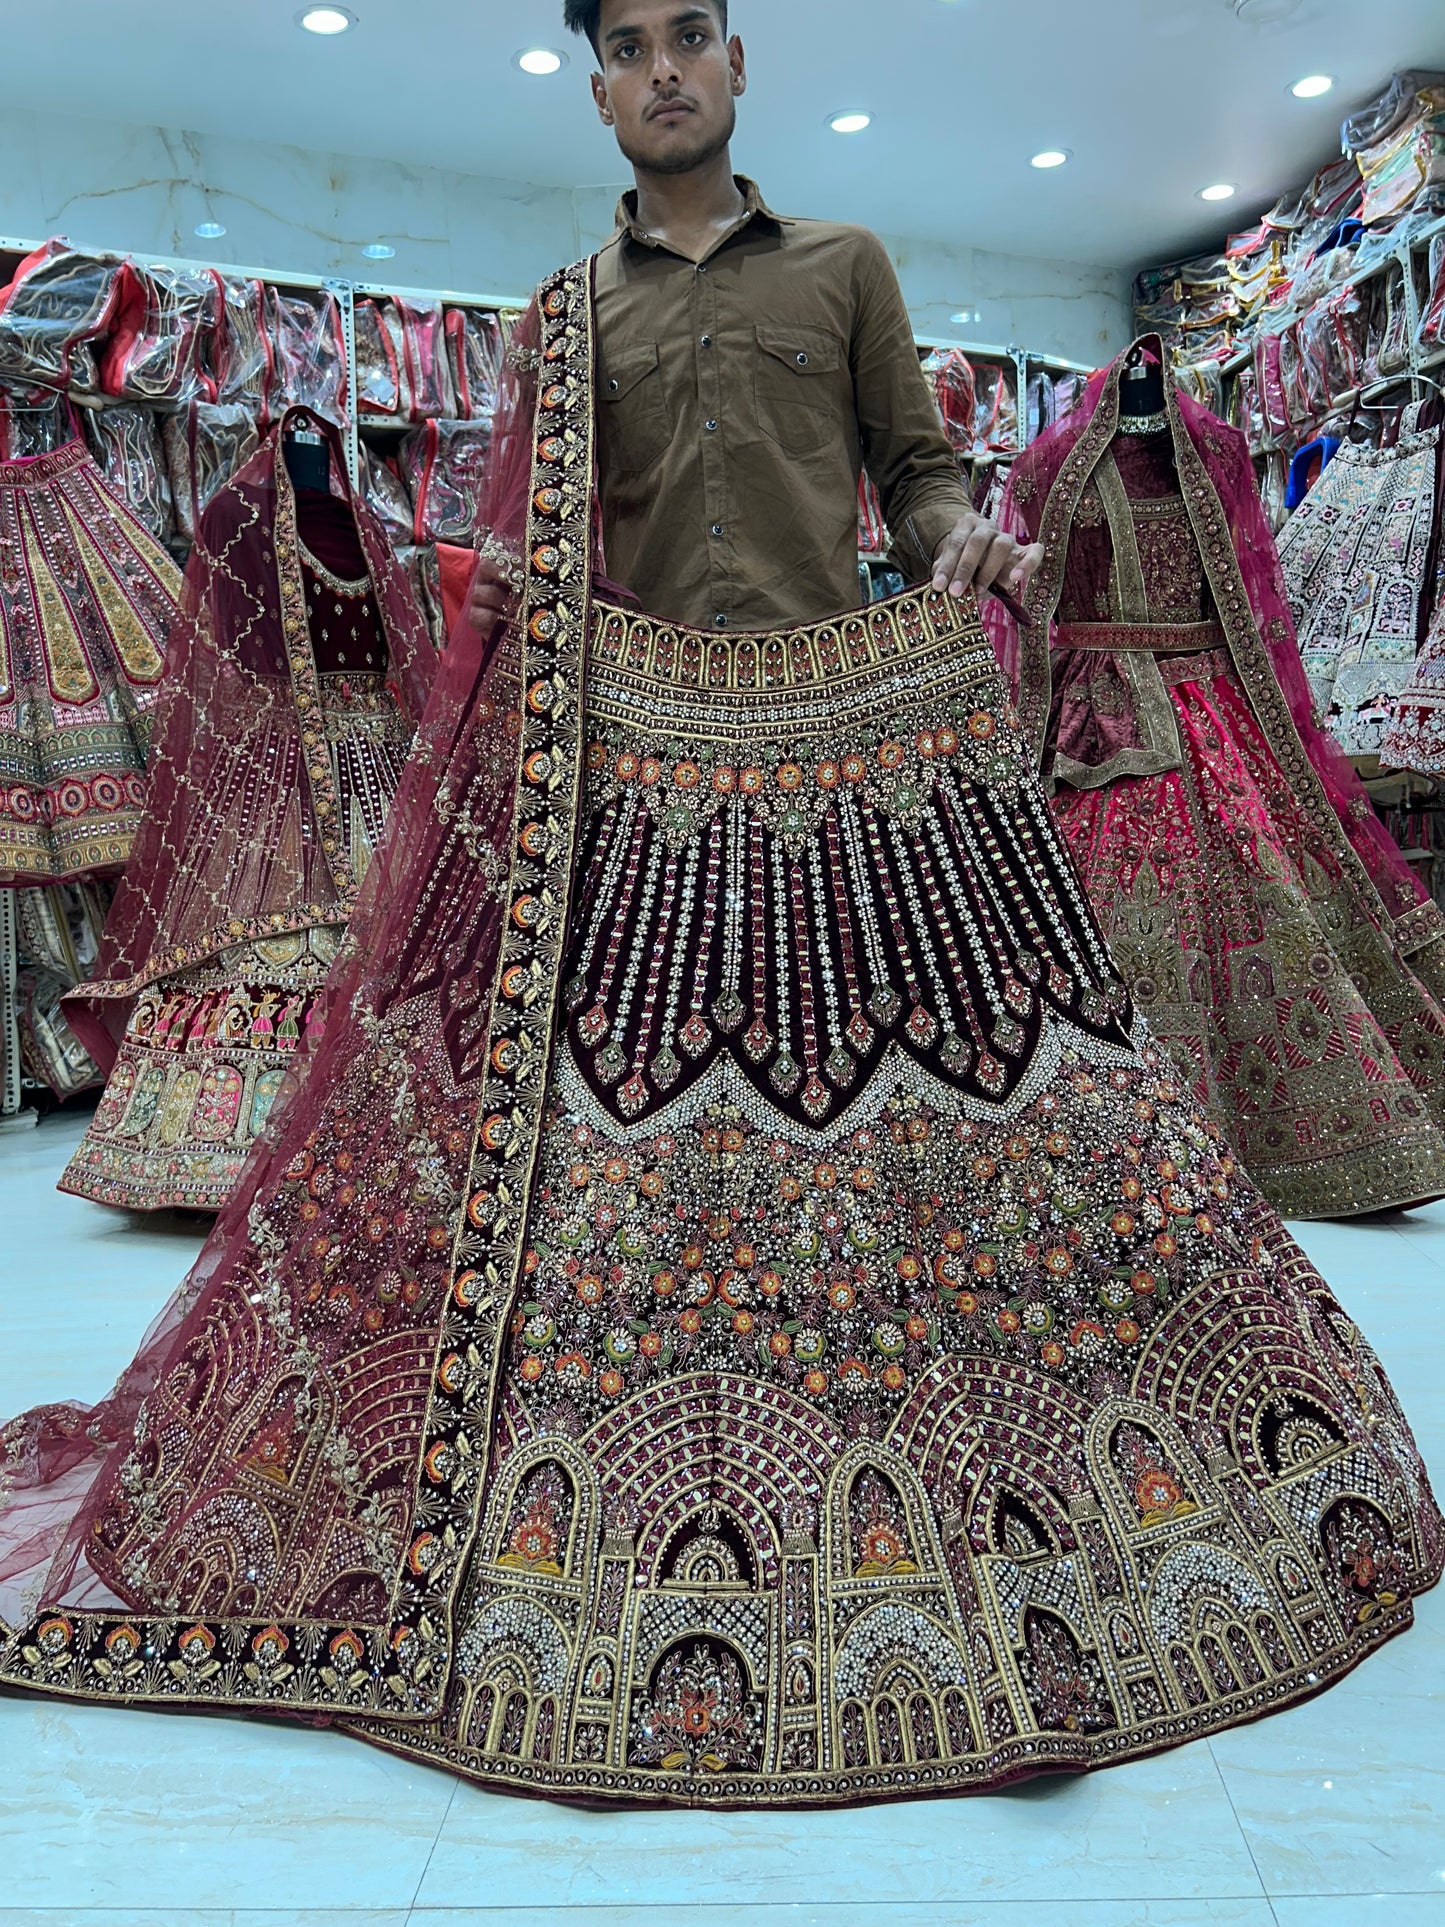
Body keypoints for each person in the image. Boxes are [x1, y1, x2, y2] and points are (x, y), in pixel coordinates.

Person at [0, 0, 1437, 1810]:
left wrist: (958, 546)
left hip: (860, 743)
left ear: (738, 64)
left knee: (970, 1121)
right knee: (629, 1151)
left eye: (693, 35)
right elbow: (557, 545)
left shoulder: (844, 266)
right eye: (630, 46)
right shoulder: (567, 315)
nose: (664, 68)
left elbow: (912, 475)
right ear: (595, 87)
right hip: (644, 770)